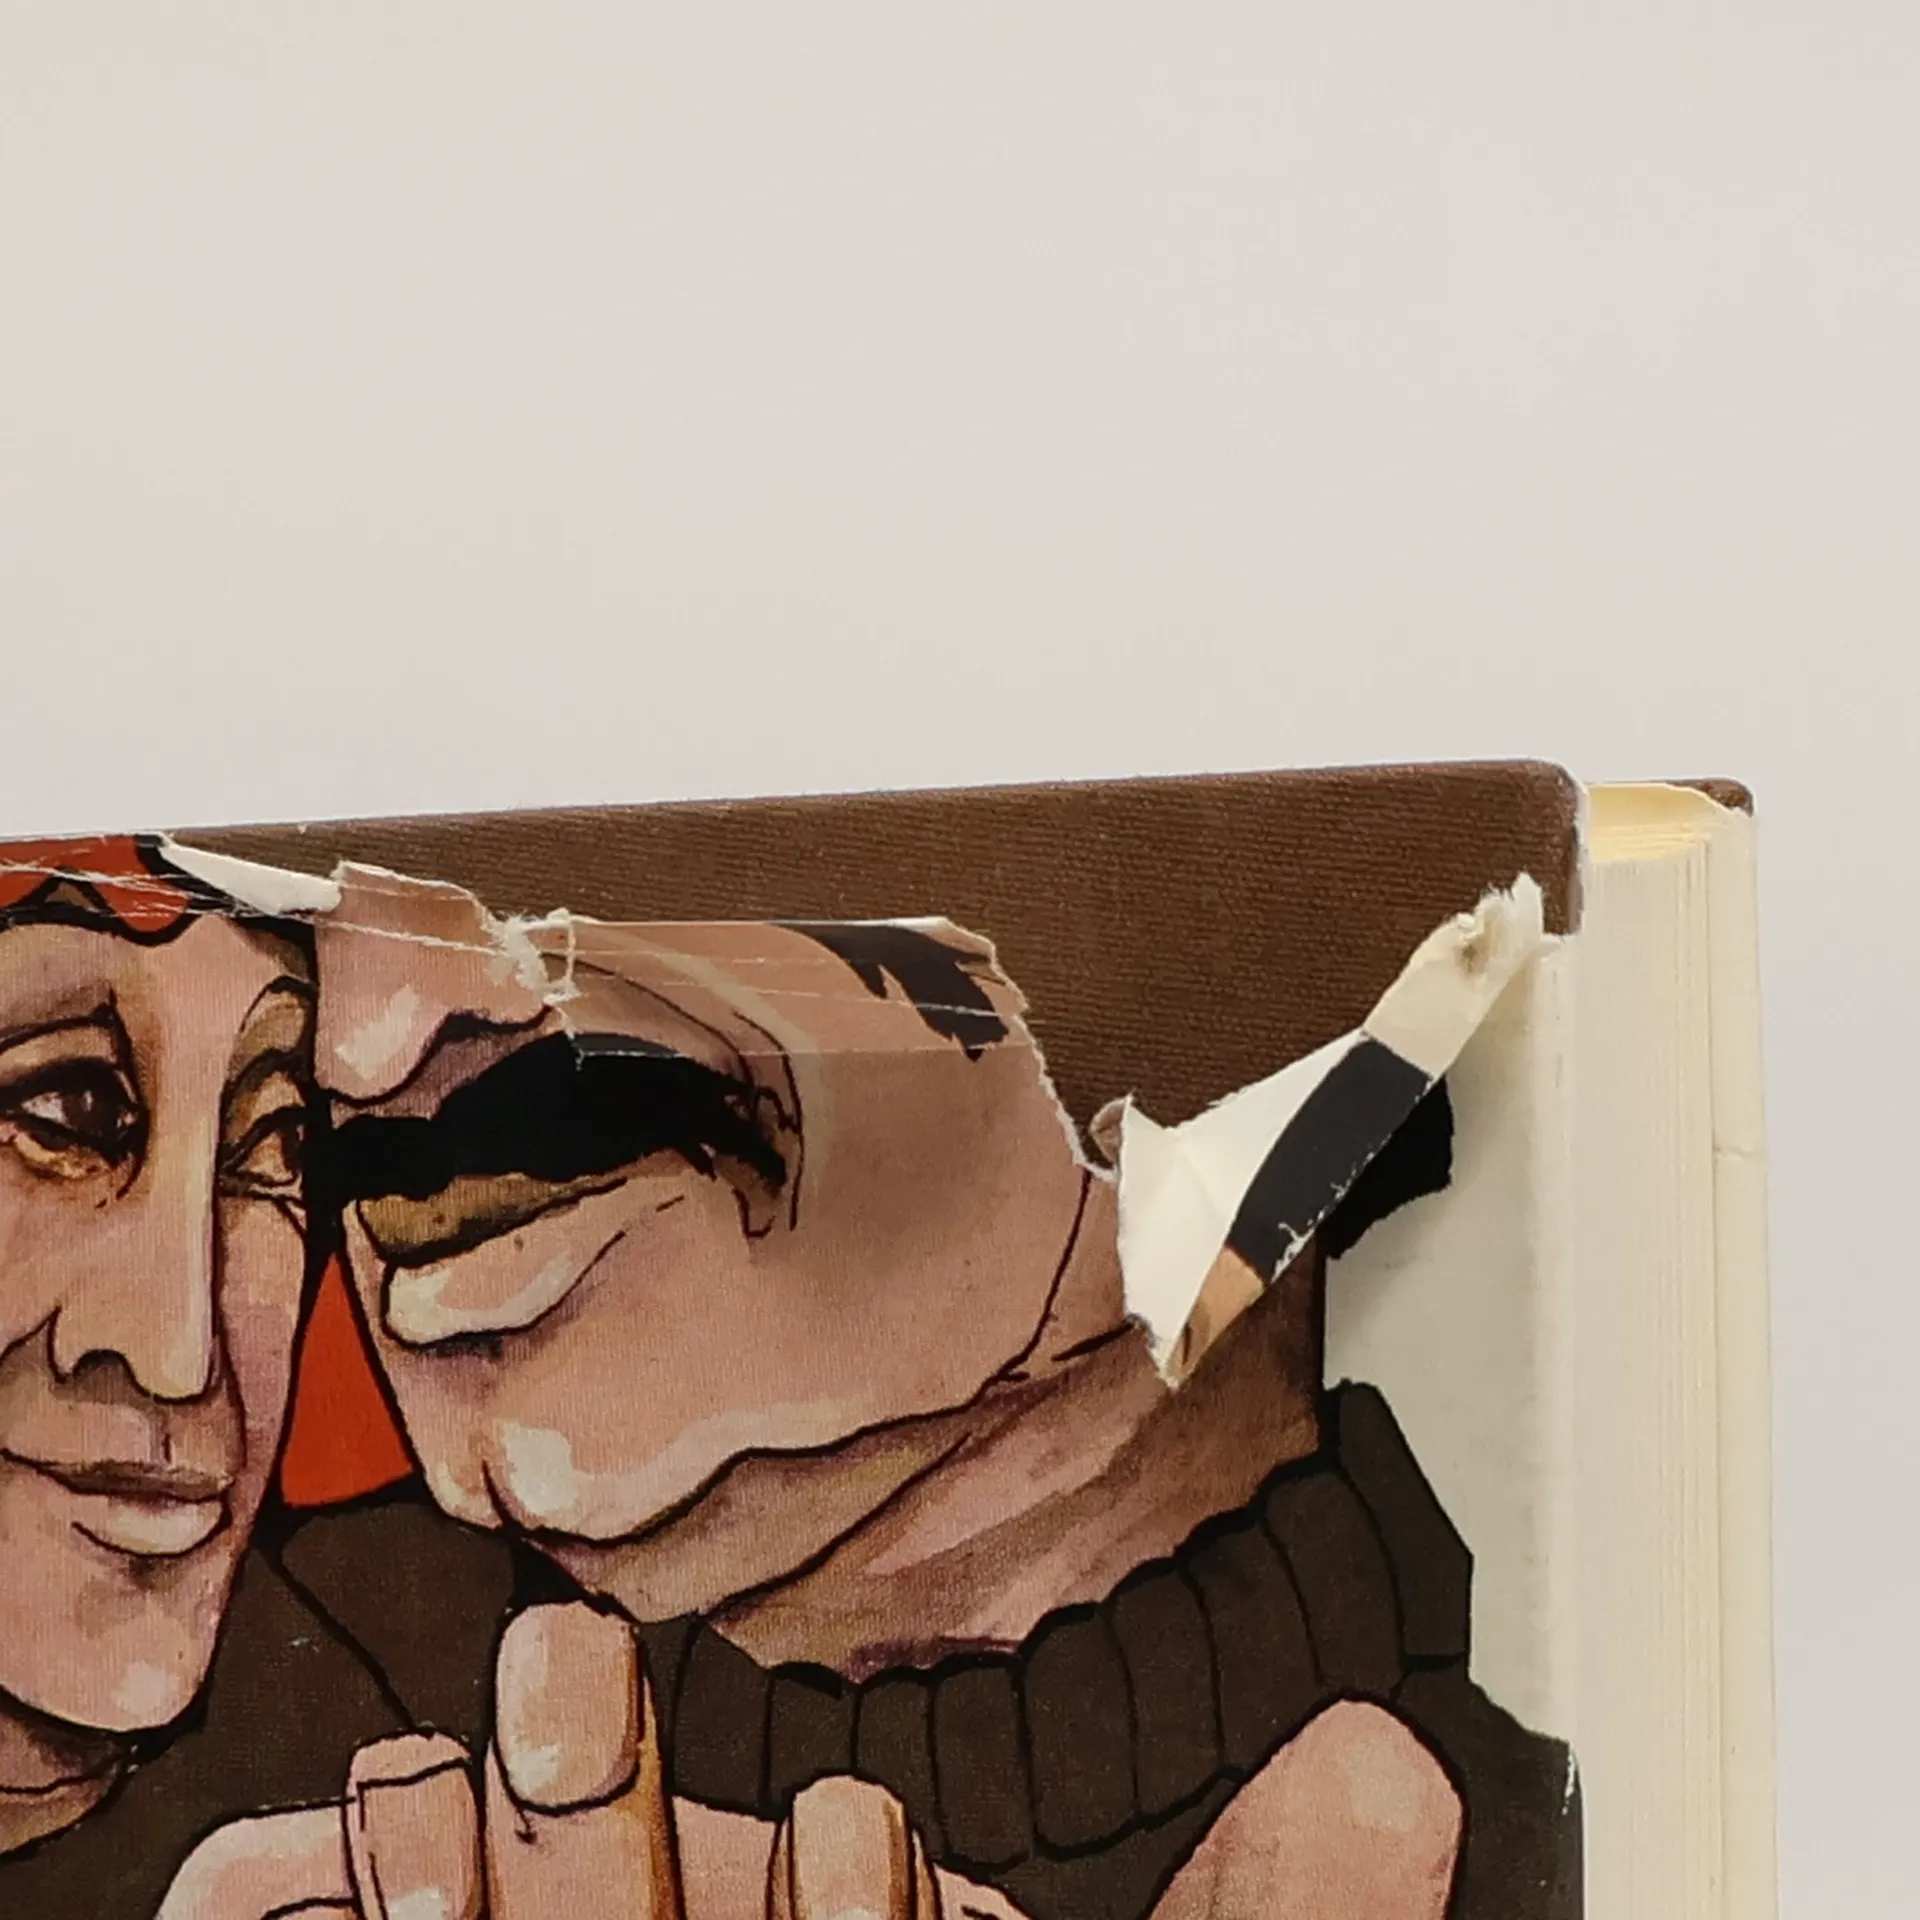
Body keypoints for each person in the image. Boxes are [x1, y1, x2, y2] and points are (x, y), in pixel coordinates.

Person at [178, 866, 1578, 1919]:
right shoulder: (185, 1741)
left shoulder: (1603, 1806)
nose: (362, 1043)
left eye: (654, 822)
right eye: (319, 891)